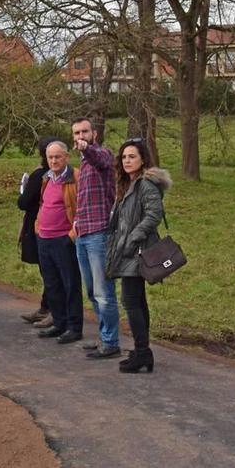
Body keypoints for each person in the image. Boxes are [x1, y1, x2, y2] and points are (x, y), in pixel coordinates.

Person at [105, 139, 171, 373]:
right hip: (127, 249)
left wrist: (133, 237)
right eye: (124, 157)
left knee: (131, 301)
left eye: (132, 156)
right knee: (137, 301)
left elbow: (154, 214)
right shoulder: (129, 184)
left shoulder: (145, 184)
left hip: (137, 250)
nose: (127, 161)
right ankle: (142, 350)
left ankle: (142, 352)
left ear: (143, 159)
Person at [71, 117, 121, 359]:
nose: (80, 135)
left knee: (104, 292)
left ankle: (111, 342)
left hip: (99, 233)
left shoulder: (102, 156)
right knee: (91, 291)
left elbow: (99, 158)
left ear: (94, 133)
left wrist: (86, 149)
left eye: (84, 131)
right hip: (83, 233)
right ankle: (104, 336)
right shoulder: (84, 164)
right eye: (76, 133)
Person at [36, 141, 84, 344]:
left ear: (66, 157)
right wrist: (38, 227)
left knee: (70, 284)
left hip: (64, 240)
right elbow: (43, 203)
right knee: (52, 284)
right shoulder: (46, 178)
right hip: (44, 239)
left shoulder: (76, 177)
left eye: (58, 157)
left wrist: (72, 235)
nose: (54, 161)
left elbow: (83, 207)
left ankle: (74, 327)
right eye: (50, 157)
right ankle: (59, 322)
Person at [18, 137, 55, 328]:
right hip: (49, 227)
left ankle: (51, 310)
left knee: (49, 271)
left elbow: (23, 203)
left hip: (39, 227)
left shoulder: (40, 175)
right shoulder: (63, 175)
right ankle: (45, 307)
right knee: (50, 270)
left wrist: (23, 192)